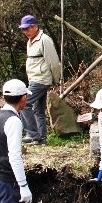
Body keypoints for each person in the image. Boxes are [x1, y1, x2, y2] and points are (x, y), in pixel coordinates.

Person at [18, 14, 61, 145]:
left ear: (35, 26)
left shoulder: (44, 40)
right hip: (34, 79)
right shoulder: (29, 42)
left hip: (41, 79)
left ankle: (32, 134)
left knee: (23, 103)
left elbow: (53, 62)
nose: (25, 32)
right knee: (38, 109)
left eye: (27, 28)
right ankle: (41, 138)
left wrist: (56, 79)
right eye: (23, 29)